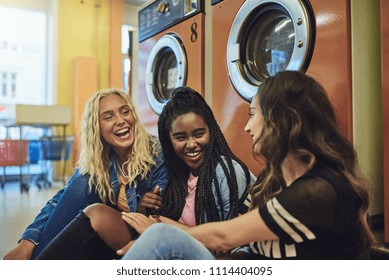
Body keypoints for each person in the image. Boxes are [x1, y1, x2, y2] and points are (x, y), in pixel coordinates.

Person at [122, 70, 376, 260]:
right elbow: (244, 246)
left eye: (253, 114)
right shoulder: (274, 180)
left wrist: (158, 231)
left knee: (159, 241)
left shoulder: (319, 190)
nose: (246, 127)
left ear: (281, 120)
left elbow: (225, 236)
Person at [35, 86, 255, 260]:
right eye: (180, 137)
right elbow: (62, 199)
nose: (190, 145)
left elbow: (229, 243)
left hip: (198, 254)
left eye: (198, 134)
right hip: (162, 237)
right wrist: (29, 240)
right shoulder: (181, 172)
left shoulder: (225, 172)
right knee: (93, 207)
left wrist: (155, 233)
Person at [3, 88, 169, 260]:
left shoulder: (156, 153)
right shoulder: (103, 159)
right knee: (84, 179)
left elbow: (163, 214)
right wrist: (28, 240)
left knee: (90, 200)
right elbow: (59, 201)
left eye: (125, 111)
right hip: (115, 229)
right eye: (108, 117)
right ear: (97, 127)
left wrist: (143, 214)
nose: (121, 120)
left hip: (141, 235)